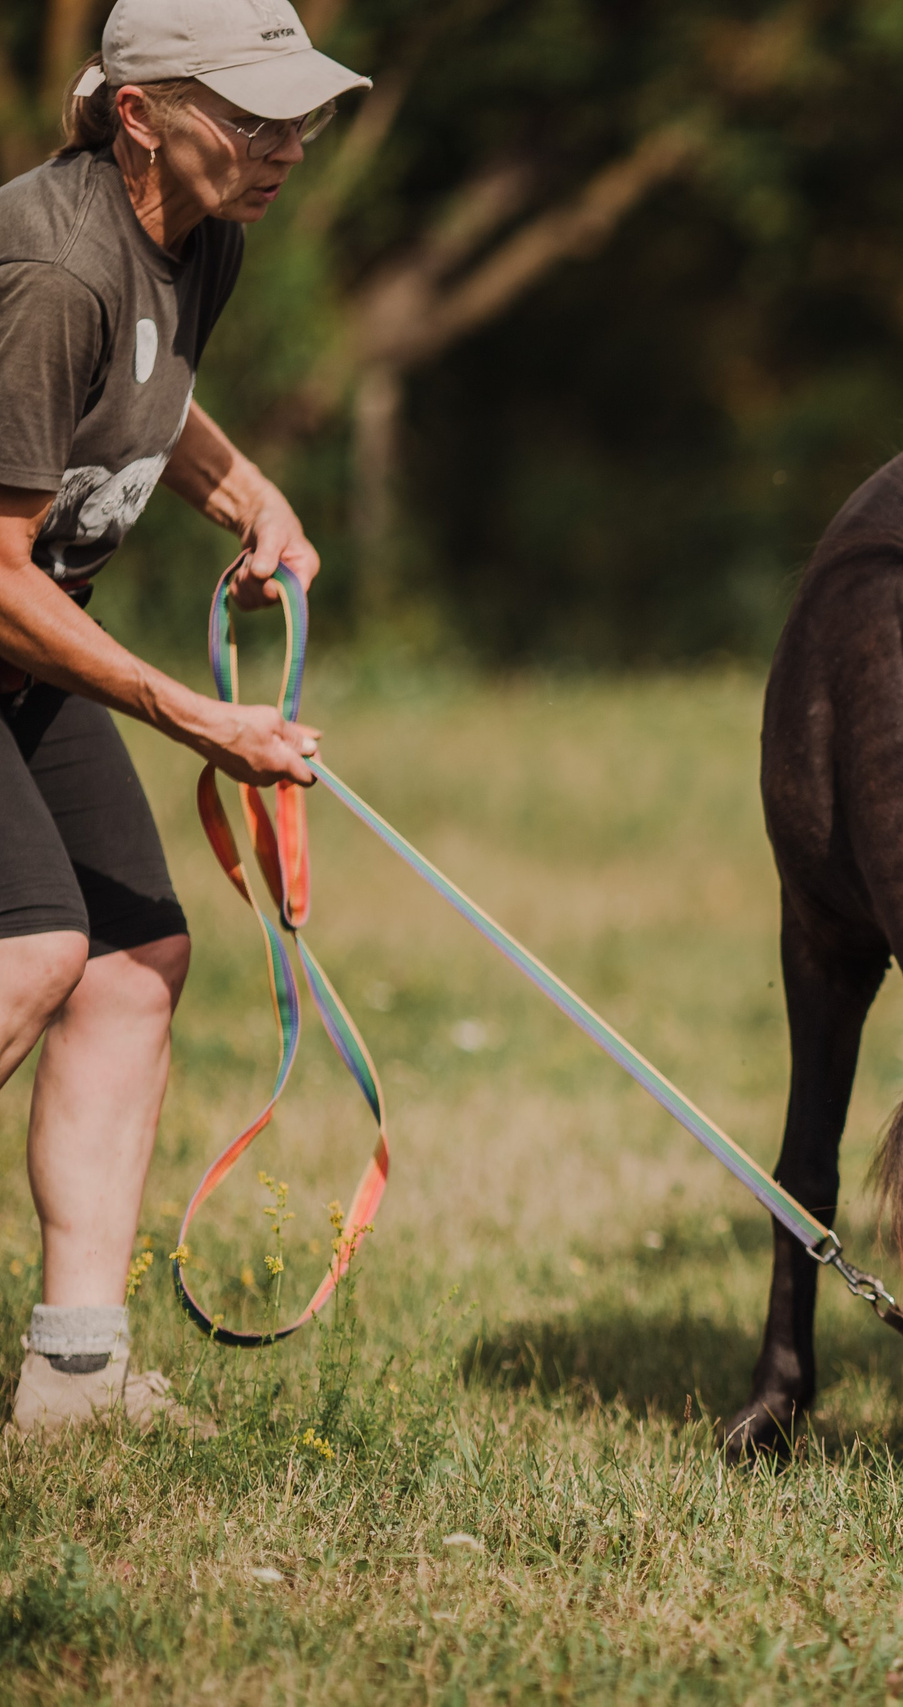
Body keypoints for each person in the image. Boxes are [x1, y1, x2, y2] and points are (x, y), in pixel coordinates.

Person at [0, 0, 367, 1430]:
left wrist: (245, 492)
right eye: (254, 117)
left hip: (26, 646)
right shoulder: (50, 268)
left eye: (301, 116)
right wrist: (192, 717)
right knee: (33, 949)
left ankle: (74, 1375)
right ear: (143, 116)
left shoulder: (201, 235)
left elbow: (148, 386)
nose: (289, 147)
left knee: (134, 958)